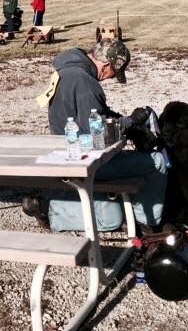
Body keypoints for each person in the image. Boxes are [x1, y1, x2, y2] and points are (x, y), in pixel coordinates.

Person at [23, 38, 167, 233]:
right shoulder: (86, 83)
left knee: (112, 214)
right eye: (114, 73)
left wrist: (124, 121)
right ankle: (147, 223)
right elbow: (99, 132)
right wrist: (131, 122)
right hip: (84, 159)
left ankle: (50, 208)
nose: (110, 78)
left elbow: (95, 114)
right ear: (106, 65)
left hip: (65, 151)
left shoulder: (68, 71)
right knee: (157, 162)